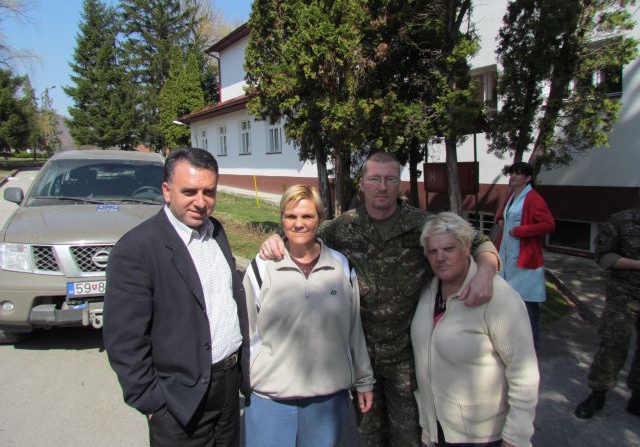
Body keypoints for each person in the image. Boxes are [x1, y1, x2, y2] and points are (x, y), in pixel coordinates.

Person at [259, 152, 500, 447]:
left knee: (411, 439)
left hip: (407, 361)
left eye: (390, 179)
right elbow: (301, 232)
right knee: (368, 439)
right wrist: (274, 239)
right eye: (374, 179)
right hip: (363, 360)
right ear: (362, 184)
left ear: (400, 183)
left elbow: (476, 240)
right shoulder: (343, 227)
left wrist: (486, 270)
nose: (382, 187)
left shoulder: (422, 224)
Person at [103, 147, 250, 447]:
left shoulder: (216, 231)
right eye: (190, 191)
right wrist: (154, 404)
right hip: (179, 401)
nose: (201, 202)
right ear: (167, 191)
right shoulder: (136, 249)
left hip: (227, 390)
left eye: (209, 192)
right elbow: (124, 341)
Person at [243, 185, 374, 446]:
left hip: (327, 399)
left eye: (307, 216)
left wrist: (364, 380)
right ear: (282, 219)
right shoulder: (262, 267)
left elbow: (353, 330)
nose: (298, 223)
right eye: (291, 216)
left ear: (320, 219)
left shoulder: (340, 266)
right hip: (270, 399)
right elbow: (247, 329)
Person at [412, 212, 539, 447]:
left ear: (467, 247)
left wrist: (516, 438)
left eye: (449, 249)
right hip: (436, 430)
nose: (440, 257)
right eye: (433, 251)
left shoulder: (500, 298)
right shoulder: (427, 292)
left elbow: (524, 373)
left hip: (483, 437)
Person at [574, 198, 640, 419]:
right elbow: (603, 257)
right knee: (613, 343)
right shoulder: (621, 221)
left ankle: (637, 394)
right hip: (625, 295)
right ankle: (598, 393)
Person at [495, 162, 555, 350]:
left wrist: (520, 230)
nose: (513, 176)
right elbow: (503, 216)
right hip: (508, 257)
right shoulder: (512, 195)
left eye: (518, 174)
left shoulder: (533, 198)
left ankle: (532, 348)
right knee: (508, 305)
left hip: (525, 259)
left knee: (528, 307)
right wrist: (500, 220)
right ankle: (512, 345)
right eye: (512, 173)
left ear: (528, 178)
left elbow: (548, 224)